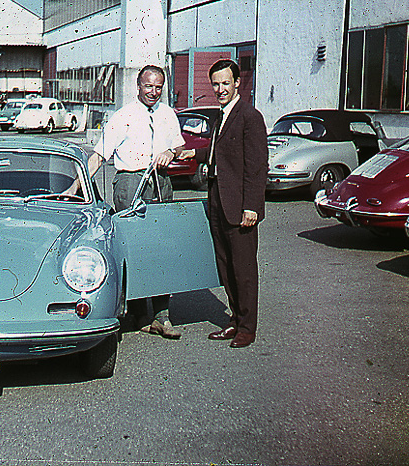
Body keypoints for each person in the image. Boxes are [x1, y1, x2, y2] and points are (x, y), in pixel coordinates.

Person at [78, 65, 186, 339]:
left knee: (162, 248)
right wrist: (74, 186)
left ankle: (163, 316)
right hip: (129, 184)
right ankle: (138, 315)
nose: (154, 91)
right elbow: (100, 155)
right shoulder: (122, 116)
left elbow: (180, 147)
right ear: (138, 86)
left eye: (159, 86)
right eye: (149, 86)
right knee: (134, 249)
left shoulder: (168, 114)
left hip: (161, 183)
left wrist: (170, 153)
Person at [181, 59, 268, 348]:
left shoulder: (249, 116)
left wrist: (252, 207)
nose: (220, 89)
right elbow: (219, 150)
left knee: (243, 269)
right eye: (216, 84)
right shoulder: (222, 115)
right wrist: (191, 153)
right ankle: (234, 319)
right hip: (218, 199)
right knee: (225, 265)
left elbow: (257, 166)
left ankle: (247, 327)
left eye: (225, 83)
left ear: (237, 83)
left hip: (240, 205)